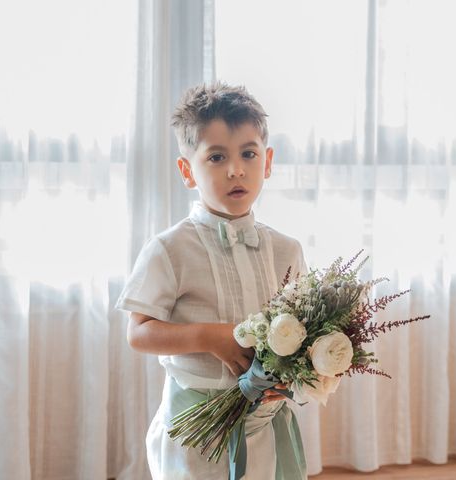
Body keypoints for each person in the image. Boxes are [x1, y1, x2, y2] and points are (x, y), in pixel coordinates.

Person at [116, 82, 307, 480]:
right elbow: (138, 333)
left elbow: (301, 332)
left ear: (267, 162)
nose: (236, 169)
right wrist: (209, 337)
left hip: (263, 424)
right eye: (217, 157)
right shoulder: (169, 249)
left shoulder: (287, 250)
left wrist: (292, 374)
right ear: (187, 170)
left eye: (248, 154)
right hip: (196, 430)